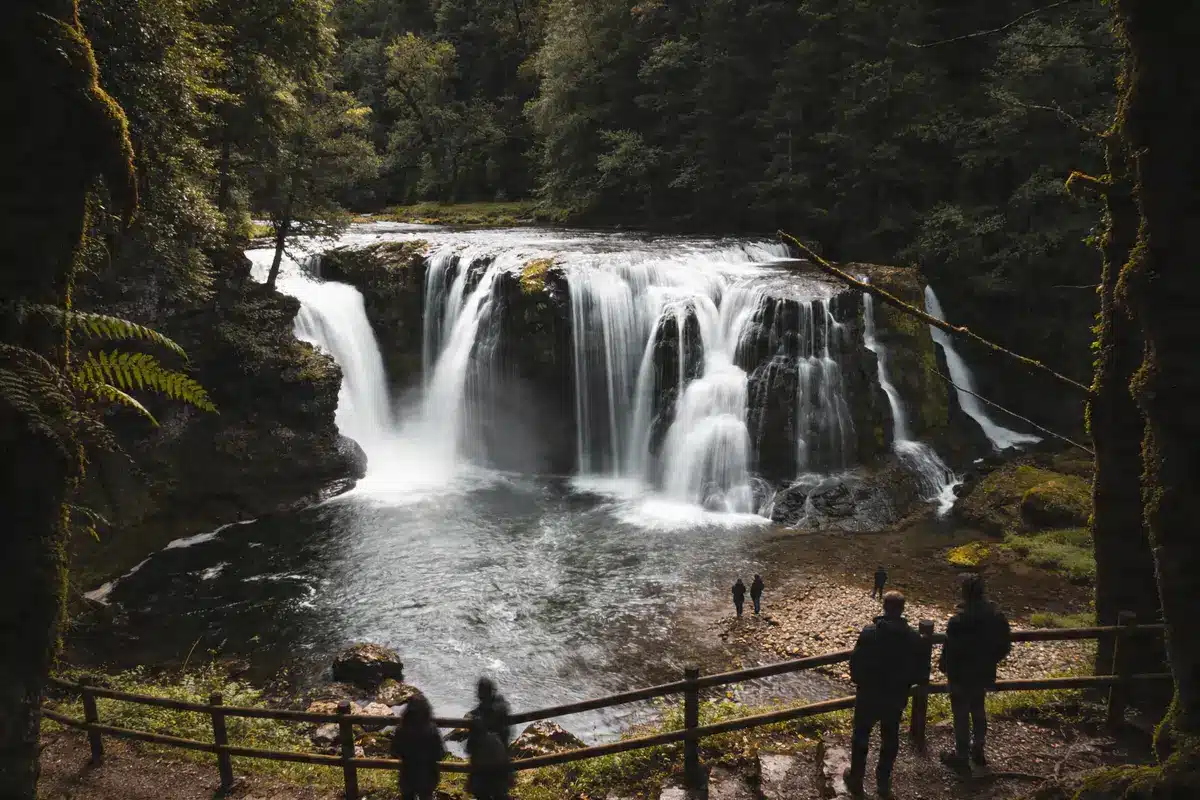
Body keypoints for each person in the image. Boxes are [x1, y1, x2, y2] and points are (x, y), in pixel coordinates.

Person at [843, 591, 923, 799]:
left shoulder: (870, 632)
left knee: (861, 735)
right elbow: (919, 671)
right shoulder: (913, 637)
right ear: (903, 609)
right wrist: (905, 684)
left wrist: (859, 681)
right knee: (890, 737)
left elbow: (856, 662)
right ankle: (883, 782)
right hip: (895, 695)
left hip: (869, 693)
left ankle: (856, 779)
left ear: (884, 608)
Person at [938, 573, 1012, 774]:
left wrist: (943, 666)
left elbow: (949, 648)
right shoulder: (996, 616)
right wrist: (991, 659)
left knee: (961, 714)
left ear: (964, 593)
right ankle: (978, 748)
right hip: (983, 671)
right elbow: (1005, 644)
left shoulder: (959, 620)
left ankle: (961, 754)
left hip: (960, 674)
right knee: (978, 709)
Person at [390, 693, 446, 800]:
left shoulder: (402, 729)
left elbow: (393, 751)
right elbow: (440, 753)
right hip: (427, 777)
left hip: (407, 775)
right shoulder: (431, 729)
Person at [466, 715, 511, 800]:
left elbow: (469, 752)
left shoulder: (475, 742)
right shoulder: (495, 739)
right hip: (499, 776)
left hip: (483, 778)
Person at [469, 677, 512, 748]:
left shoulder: (495, 707)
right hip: (502, 748)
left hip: (490, 750)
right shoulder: (501, 703)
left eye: (481, 691)